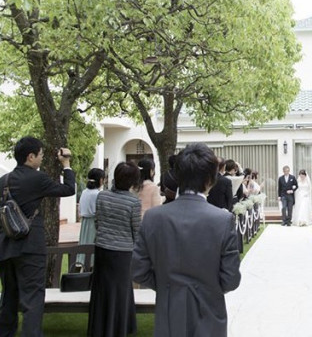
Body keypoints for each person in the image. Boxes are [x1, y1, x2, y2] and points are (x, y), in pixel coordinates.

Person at [132, 143, 241, 336]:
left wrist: (167, 285)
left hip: (168, 313)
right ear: (211, 179)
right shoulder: (223, 220)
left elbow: (138, 270)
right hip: (209, 314)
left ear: (177, 176)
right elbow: (230, 279)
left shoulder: (153, 217)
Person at [0, 136, 75, 337]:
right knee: (32, 298)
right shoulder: (37, 178)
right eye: (41, 155)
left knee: (8, 298)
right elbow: (68, 189)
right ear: (30, 156)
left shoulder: (3, 181)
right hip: (29, 248)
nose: (42, 158)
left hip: (5, 248)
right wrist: (66, 164)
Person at [88, 162, 142, 337]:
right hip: (122, 252)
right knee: (120, 291)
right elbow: (136, 230)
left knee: (102, 290)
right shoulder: (133, 201)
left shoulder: (102, 196)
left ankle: (100, 328)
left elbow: (98, 222)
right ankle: (119, 327)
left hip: (103, 249)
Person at [76, 167, 105, 266]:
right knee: (92, 245)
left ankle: (82, 262)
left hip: (85, 222)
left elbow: (80, 209)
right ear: (101, 180)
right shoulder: (98, 194)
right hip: (94, 223)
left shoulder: (84, 192)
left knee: (84, 243)